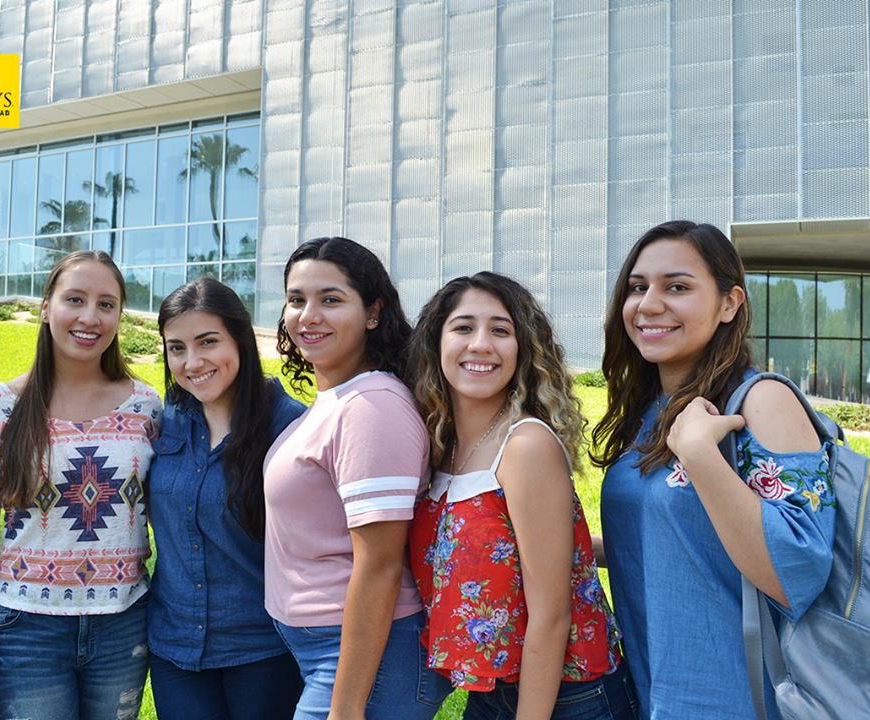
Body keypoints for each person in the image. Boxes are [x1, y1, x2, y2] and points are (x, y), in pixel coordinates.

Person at [592, 221, 836, 719]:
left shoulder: (761, 401)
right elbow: (675, 537)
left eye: (677, 287)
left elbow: (799, 574)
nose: (648, 304)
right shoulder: (648, 410)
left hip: (737, 698)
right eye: (638, 287)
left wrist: (702, 458)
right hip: (651, 690)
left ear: (730, 303)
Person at [407, 271, 636, 720]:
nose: (480, 344)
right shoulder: (440, 447)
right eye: (463, 327)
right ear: (436, 343)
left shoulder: (525, 445)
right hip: (492, 692)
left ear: (522, 348)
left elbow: (552, 616)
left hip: (570, 695)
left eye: (500, 330)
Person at [0, 250, 162, 720]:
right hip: (26, 630)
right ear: (46, 307)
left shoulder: (147, 408)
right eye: (75, 299)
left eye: (106, 304)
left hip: (124, 625)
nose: (90, 317)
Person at [262, 236, 451, 720]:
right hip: (330, 650)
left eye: (330, 300)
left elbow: (380, 565)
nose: (308, 316)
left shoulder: (372, 407)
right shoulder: (339, 399)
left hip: (368, 655)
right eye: (296, 299)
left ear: (373, 313)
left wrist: (346, 707)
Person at [147, 277, 305, 719]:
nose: (192, 362)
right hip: (175, 649)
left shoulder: (290, 426)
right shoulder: (166, 419)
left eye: (208, 342)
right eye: (176, 348)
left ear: (240, 338)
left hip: (263, 651)